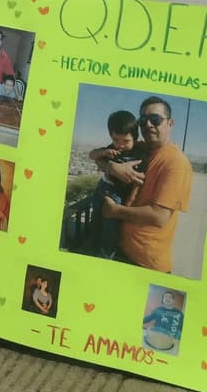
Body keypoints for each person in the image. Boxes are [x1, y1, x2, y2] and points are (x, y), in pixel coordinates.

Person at [99, 97, 192, 274]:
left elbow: (159, 217)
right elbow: (100, 159)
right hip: (123, 250)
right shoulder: (141, 148)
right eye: (143, 120)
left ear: (170, 123)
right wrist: (112, 167)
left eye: (155, 119)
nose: (148, 124)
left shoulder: (175, 162)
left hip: (145, 263)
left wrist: (115, 211)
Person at [82, 110, 149, 257]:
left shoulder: (139, 154)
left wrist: (128, 203)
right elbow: (91, 155)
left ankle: (105, 257)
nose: (120, 145)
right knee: (96, 223)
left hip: (116, 197)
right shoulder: (111, 148)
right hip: (101, 190)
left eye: (126, 141)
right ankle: (93, 249)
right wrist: (104, 153)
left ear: (135, 138)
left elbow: (138, 182)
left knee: (110, 231)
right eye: (116, 139)